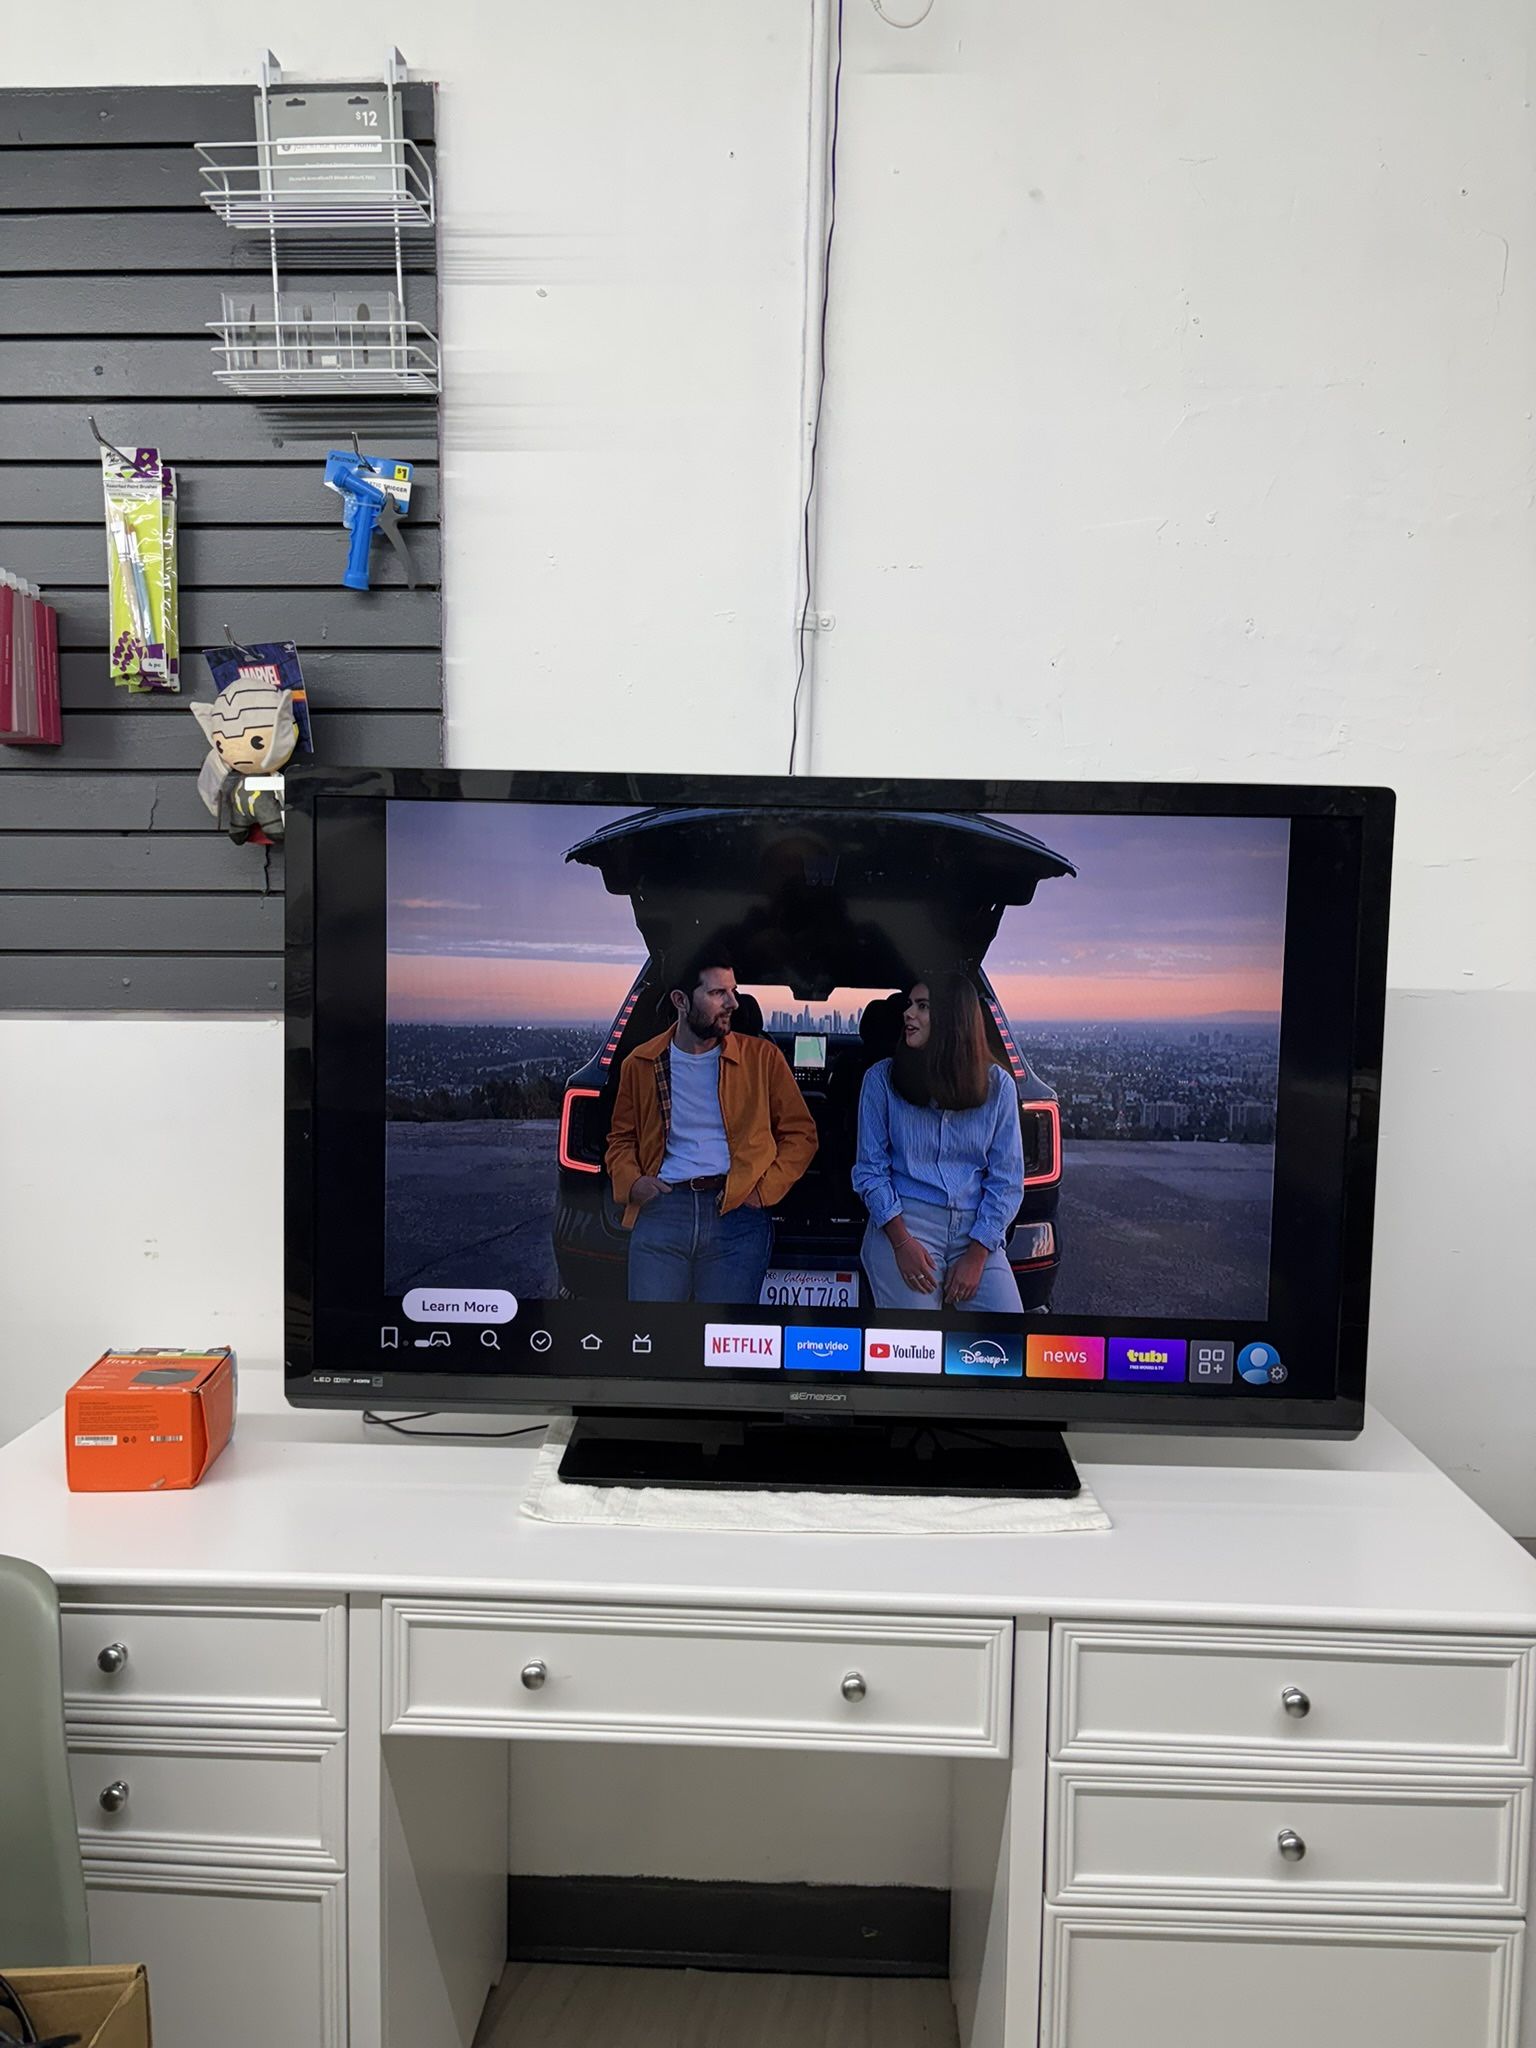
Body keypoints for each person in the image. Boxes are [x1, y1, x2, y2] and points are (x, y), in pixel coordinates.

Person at [606, 951, 818, 1303]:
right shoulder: (640, 1063)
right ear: (680, 1001)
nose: (733, 1003)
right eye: (718, 993)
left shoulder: (762, 1058)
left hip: (735, 1214)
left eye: (733, 991)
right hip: (662, 1210)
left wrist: (761, 1192)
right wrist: (633, 1183)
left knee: (723, 1335)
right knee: (652, 1331)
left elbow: (801, 1135)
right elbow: (622, 1137)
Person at [852, 973, 1026, 1311]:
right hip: (905, 1222)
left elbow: (1006, 1181)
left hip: (976, 1229)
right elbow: (870, 1171)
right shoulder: (881, 1080)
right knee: (919, 1337)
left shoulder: (999, 1086)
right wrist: (901, 1243)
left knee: (1007, 1334)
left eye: (923, 1006)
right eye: (910, 1005)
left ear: (952, 1019)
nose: (908, 1013)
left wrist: (977, 1254)